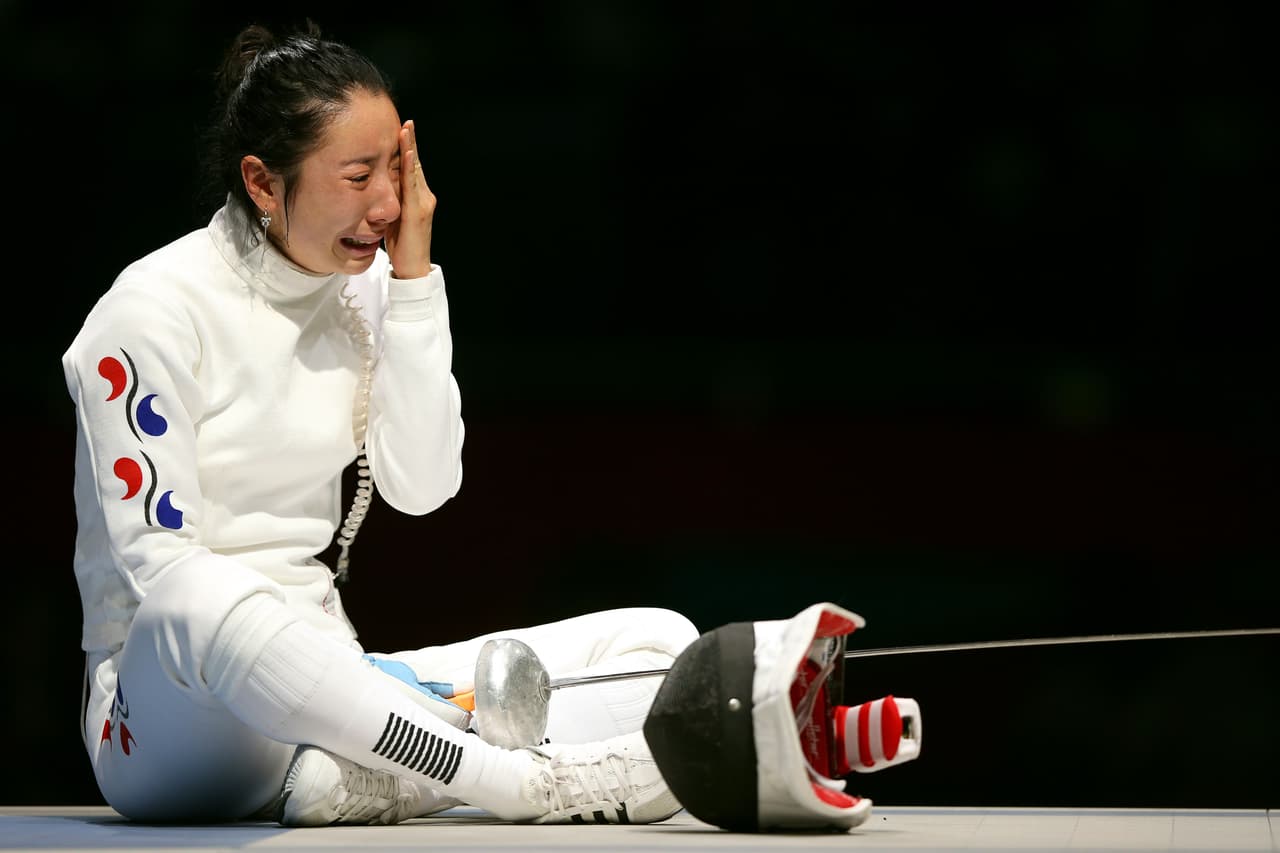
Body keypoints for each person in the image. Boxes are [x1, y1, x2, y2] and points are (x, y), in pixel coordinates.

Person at [61, 21, 698, 826]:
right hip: (168, 724)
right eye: (359, 176)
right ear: (263, 183)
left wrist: (414, 281)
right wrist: (370, 694)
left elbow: (422, 487)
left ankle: (359, 780)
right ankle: (516, 783)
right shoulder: (148, 312)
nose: (390, 204)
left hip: (337, 690)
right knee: (199, 591)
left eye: (394, 171)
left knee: (659, 647)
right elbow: (160, 573)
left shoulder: (364, 289)